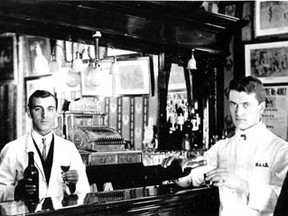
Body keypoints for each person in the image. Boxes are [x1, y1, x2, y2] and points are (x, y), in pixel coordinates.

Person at [163, 76, 288, 216]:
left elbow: (283, 202)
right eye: (234, 104)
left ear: (261, 107)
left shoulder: (281, 150)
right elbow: (193, 176)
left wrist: (242, 185)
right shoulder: (222, 147)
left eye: (246, 105)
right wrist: (176, 170)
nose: (238, 112)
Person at [0, 90, 90, 202]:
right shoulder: (12, 149)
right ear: (29, 112)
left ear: (56, 113)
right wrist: (16, 191)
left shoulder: (69, 148)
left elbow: (85, 192)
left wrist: (72, 186)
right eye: (38, 109)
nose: (45, 115)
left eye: (50, 109)